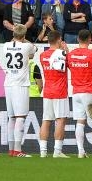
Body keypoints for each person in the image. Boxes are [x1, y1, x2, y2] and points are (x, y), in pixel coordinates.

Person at [66, 29, 92, 158]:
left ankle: (80, 151)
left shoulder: (71, 54)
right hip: (89, 93)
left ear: (77, 39)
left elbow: (70, 67)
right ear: (89, 40)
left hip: (76, 93)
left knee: (80, 122)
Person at [4, 24, 37, 158]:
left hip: (8, 84)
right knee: (20, 117)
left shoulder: (5, 45)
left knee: (11, 117)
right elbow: (33, 52)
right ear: (24, 36)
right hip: (21, 85)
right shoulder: (26, 46)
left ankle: (11, 150)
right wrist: (24, 39)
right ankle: (18, 150)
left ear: (13, 35)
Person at [39, 30, 70, 158]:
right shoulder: (62, 54)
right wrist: (66, 51)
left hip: (47, 91)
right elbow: (67, 66)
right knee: (60, 120)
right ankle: (57, 152)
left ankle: (43, 152)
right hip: (60, 91)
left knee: (46, 120)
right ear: (58, 40)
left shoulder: (42, 55)